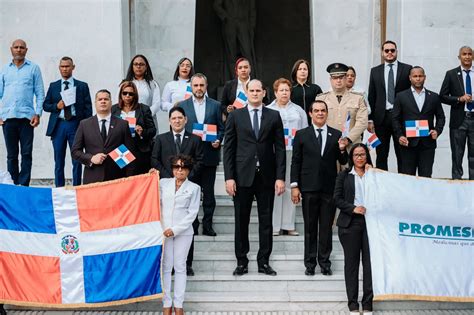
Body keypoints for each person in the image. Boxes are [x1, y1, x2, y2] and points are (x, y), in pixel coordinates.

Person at [224, 79, 286, 276]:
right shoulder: (235, 116)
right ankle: (241, 261)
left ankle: (264, 262)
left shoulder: (274, 116)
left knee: (266, 221)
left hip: (267, 176)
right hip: (242, 177)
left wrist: (280, 177)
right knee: (241, 221)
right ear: (247, 92)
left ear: (264, 92)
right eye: (251, 90)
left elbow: (281, 149)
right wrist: (229, 177)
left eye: (258, 90)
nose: (255, 93)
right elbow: (229, 149)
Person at [290, 100, 348, 276]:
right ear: (310, 113)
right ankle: (309, 263)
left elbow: (343, 161)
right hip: (308, 188)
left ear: (326, 113)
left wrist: (343, 150)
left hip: (329, 188)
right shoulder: (301, 134)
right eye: (316, 111)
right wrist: (294, 186)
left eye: (323, 110)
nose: (320, 113)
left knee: (325, 227)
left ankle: (325, 262)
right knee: (309, 227)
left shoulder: (336, 134)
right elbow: (296, 161)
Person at [151, 106, 203, 276]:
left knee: (188, 225)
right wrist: (171, 178)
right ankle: (169, 265)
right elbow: (155, 160)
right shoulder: (160, 139)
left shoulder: (194, 140)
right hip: (167, 188)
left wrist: (185, 178)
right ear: (169, 121)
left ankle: (187, 263)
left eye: (180, 118)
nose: (177, 121)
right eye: (174, 118)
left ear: (185, 120)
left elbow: (200, 161)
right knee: (168, 224)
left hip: (188, 188)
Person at [178, 73, 224, 236]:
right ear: (191, 86)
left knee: (209, 194)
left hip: (209, 155)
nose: (199, 88)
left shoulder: (216, 105)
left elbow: (221, 127)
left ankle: (208, 225)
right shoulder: (182, 105)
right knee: (190, 193)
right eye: (196, 85)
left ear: (206, 86)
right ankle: (193, 225)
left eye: (201, 85)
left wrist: (218, 139)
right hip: (189, 158)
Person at [334, 143, 373, 315]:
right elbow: (336, 199)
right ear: (351, 157)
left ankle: (368, 303)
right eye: (356, 155)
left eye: (362, 154)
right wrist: (352, 208)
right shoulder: (344, 175)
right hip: (350, 224)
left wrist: (374, 174)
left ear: (367, 156)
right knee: (351, 265)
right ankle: (353, 304)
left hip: (371, 224)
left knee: (369, 265)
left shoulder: (375, 175)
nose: (359, 157)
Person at [158, 154, 200, 315]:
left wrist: (175, 229)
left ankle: (179, 304)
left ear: (188, 170)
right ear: (172, 168)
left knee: (180, 266)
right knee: (166, 267)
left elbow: (192, 213)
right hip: (164, 231)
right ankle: (166, 303)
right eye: (176, 167)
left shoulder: (194, 188)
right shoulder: (163, 183)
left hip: (183, 232)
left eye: (183, 167)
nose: (180, 170)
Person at [0, 39, 45, 186]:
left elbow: (39, 93)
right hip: (8, 119)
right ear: (11, 49)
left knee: (26, 154)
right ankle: (13, 184)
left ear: (26, 50)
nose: (19, 50)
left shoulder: (33, 68)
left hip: (27, 119)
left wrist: (37, 114)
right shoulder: (4, 70)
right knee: (11, 155)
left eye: (22, 47)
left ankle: (24, 184)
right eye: (16, 47)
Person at [267, 78, 308, 236]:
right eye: (281, 90)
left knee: (292, 186)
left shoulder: (299, 110)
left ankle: (288, 224)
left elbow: (305, 131)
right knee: (277, 187)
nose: (284, 93)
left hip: (293, 152)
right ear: (276, 92)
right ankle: (275, 225)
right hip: (274, 152)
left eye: (287, 90)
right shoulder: (269, 109)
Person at [43, 56, 92, 187]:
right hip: (59, 125)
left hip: (76, 124)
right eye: (62, 66)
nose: (64, 69)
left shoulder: (82, 86)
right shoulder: (54, 86)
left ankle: (77, 187)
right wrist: (56, 106)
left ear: (73, 67)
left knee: (77, 159)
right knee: (58, 161)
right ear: (59, 68)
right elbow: (45, 105)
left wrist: (87, 128)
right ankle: (59, 189)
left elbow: (88, 109)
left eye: (67, 66)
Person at [71, 89, 135, 184]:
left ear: (111, 103)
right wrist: (91, 158)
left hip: (117, 179)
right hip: (92, 178)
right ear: (95, 103)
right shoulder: (84, 124)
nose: (103, 101)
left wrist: (129, 180)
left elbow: (129, 152)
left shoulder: (123, 124)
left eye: (106, 99)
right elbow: (75, 151)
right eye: (100, 99)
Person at [392, 66, 446, 177]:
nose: (418, 79)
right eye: (415, 76)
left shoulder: (434, 97)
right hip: (408, 144)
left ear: (424, 77)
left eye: (420, 76)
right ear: (410, 78)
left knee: (426, 177)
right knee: (408, 177)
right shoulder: (401, 96)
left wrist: (437, 131)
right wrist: (399, 135)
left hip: (427, 144)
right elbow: (395, 118)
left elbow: (441, 117)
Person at [368, 40, 412, 171]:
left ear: (396, 51)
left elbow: (411, 93)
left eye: (392, 50)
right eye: (386, 51)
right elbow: (372, 95)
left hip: (401, 117)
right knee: (381, 154)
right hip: (381, 117)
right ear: (382, 53)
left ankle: (403, 184)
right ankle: (383, 186)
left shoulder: (407, 69)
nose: (390, 53)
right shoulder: (375, 71)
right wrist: (370, 119)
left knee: (403, 154)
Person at [439, 45, 474, 179]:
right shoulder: (451, 74)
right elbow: (442, 96)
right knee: (457, 155)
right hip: (459, 120)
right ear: (459, 57)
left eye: (469, 54)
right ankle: (457, 183)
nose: (467, 57)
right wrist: (459, 99)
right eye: (464, 54)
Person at [316, 63, 368, 148]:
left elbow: (362, 122)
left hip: (352, 145)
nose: (338, 80)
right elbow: (317, 122)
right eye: (335, 78)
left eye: (341, 77)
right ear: (330, 80)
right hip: (329, 145)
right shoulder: (321, 99)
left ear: (345, 78)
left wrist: (348, 139)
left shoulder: (358, 98)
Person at [112, 81, 156, 174]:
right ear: (120, 94)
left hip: (138, 148)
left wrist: (142, 132)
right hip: (120, 149)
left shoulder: (144, 109)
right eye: (125, 93)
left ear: (135, 95)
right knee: (122, 176)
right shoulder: (114, 109)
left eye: (131, 94)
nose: (127, 96)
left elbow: (153, 130)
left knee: (138, 177)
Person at [213, 0, 257, 82]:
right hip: (230, 24)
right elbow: (217, 5)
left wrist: (252, 25)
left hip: (244, 24)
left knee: (247, 51)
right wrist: (225, 17)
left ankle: (251, 79)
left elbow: (252, 9)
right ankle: (234, 80)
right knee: (231, 53)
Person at [122, 54, 161, 132]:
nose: (138, 66)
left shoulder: (152, 84)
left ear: (146, 67)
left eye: (141, 64)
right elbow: (118, 102)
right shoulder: (124, 84)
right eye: (136, 64)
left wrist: (144, 116)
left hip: (147, 120)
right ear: (132, 67)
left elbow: (157, 104)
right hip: (127, 120)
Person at [290, 59, 323, 124]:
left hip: (312, 123)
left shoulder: (315, 88)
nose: (303, 71)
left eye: (305, 69)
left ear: (308, 72)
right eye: (300, 69)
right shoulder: (290, 88)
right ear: (295, 71)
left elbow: (321, 106)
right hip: (294, 123)